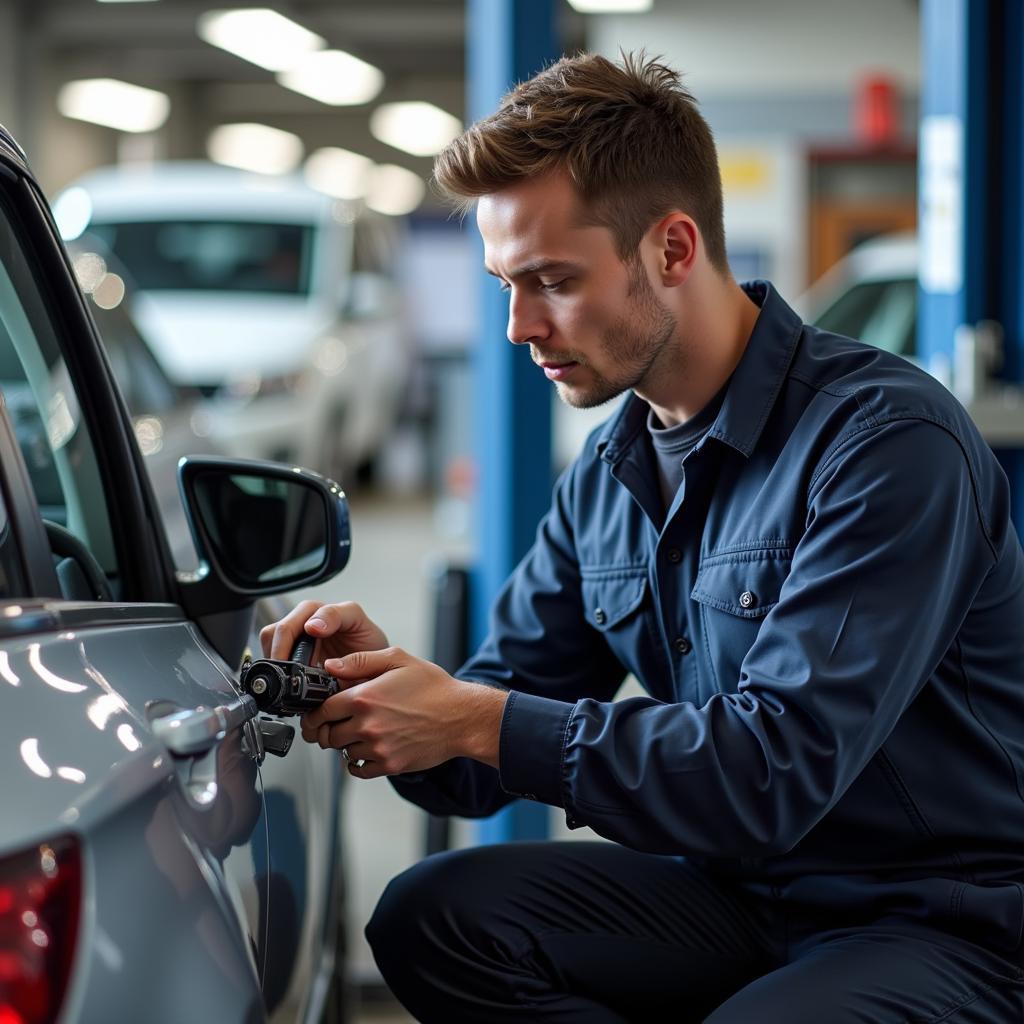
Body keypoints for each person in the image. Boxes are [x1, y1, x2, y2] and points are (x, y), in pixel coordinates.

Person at [262, 52, 1024, 1023]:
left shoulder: (883, 444)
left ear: (672, 248)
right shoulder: (609, 479)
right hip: (736, 898)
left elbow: (771, 770)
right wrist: (381, 688)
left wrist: (471, 717)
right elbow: (477, 747)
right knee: (433, 917)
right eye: (504, 282)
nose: (517, 326)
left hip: (935, 922)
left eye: (551, 281)